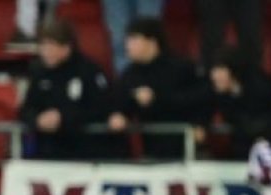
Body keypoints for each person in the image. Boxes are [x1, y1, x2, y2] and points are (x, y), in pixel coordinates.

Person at [108, 17, 210, 160]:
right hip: (152, 152)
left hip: (188, 149)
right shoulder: (129, 74)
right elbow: (120, 102)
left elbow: (202, 98)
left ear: (152, 42)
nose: (127, 45)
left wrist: (200, 123)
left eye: (134, 40)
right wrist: (119, 114)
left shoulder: (181, 67)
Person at [20, 18, 112, 160]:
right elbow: (26, 108)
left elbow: (101, 108)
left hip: (85, 152)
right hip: (47, 152)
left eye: (51, 46)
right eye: (43, 46)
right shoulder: (38, 71)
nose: (45, 52)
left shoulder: (88, 70)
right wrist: (37, 119)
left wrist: (64, 118)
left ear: (66, 48)